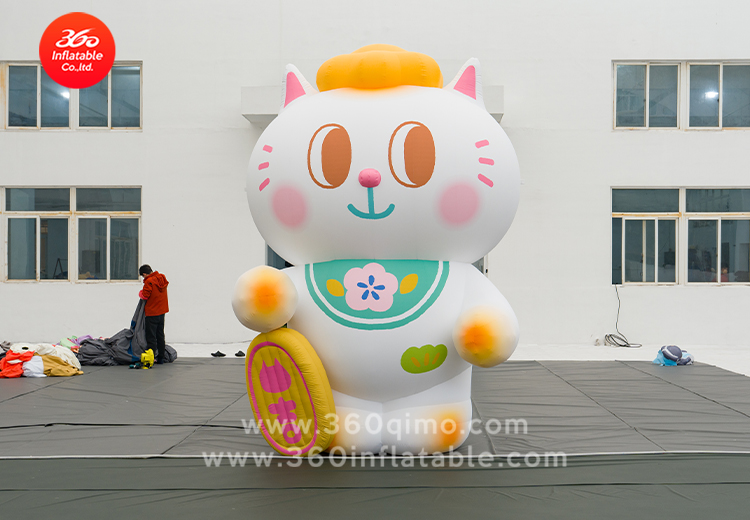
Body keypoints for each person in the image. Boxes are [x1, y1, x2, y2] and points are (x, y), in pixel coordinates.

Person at [139, 265, 169, 364]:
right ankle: (161, 358)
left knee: (151, 337)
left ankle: (150, 358)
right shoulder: (162, 278)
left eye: (142, 276)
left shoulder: (149, 281)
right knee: (160, 335)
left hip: (152, 312)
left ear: (144, 274)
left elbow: (145, 295)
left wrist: (140, 293)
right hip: (162, 312)